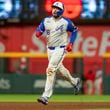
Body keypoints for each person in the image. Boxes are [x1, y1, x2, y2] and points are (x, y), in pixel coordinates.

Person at [35, 1, 81, 105]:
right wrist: (38, 32)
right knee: (59, 70)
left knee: (50, 69)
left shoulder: (66, 22)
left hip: (60, 49)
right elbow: (39, 29)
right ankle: (75, 82)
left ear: (62, 11)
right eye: (53, 8)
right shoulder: (46, 20)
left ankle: (45, 96)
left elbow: (74, 30)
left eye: (57, 8)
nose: (54, 10)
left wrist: (71, 43)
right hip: (49, 49)